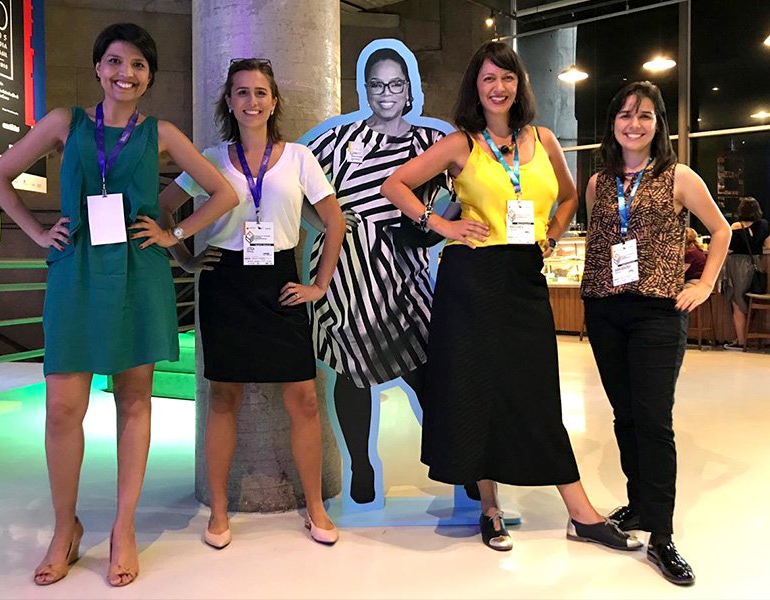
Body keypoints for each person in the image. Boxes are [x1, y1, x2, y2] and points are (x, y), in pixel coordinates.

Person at [0, 23, 237, 586]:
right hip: (75, 272)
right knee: (62, 408)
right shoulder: (64, 123)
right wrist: (37, 232)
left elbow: (224, 192)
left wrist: (174, 234)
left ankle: (124, 527)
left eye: (139, 65)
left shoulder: (160, 132)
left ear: (149, 76)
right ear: (98, 67)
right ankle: (64, 528)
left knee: (134, 401)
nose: (126, 73)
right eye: (116, 61)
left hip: (138, 273)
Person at [382, 40, 640, 553]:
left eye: (506, 77)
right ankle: (490, 507)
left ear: (519, 84)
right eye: (488, 79)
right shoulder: (461, 144)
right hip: (472, 280)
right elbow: (396, 185)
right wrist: (441, 225)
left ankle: (580, 514)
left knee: (536, 392)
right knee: (475, 390)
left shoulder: (543, 139)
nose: (498, 87)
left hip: (524, 278)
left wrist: (553, 235)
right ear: (475, 89)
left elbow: (569, 196)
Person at [158, 58, 345, 547]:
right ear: (229, 101)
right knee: (223, 398)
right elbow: (163, 208)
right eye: (241, 92)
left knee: (304, 398)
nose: (251, 101)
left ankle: (315, 506)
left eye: (260, 92)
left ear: (274, 101)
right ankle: (219, 512)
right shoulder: (211, 158)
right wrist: (185, 258)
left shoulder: (298, 157)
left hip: (281, 281)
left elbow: (335, 221)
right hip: (226, 283)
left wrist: (319, 285)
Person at [580, 81, 731, 585]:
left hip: (658, 312)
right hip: (605, 309)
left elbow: (721, 229)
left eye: (645, 115)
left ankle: (661, 535)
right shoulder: (599, 182)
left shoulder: (678, 176)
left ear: (658, 123)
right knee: (624, 415)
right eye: (625, 114)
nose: (634, 124)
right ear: (613, 123)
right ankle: (639, 504)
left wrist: (704, 283)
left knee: (652, 419)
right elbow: (601, 239)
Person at [304, 46, 448, 503]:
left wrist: (433, 229)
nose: (386, 93)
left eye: (395, 84)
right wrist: (327, 225)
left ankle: (455, 459)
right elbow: (298, 186)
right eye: (377, 84)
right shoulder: (338, 139)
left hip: (403, 269)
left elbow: (467, 192)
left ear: (409, 90)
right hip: (345, 270)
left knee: (425, 367)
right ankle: (361, 466)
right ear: (365, 90)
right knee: (352, 369)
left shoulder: (431, 142)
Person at [721, 197, 769, 350]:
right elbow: (768, 246)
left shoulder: (736, 226)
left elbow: (728, 248)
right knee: (750, 300)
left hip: (737, 266)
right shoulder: (764, 225)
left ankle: (741, 340)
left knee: (738, 302)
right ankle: (749, 337)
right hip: (756, 264)